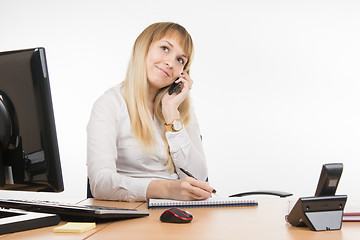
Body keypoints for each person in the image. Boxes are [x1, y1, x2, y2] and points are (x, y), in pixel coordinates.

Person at [87, 22, 215, 202]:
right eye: (165, 48)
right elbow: (100, 183)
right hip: (130, 212)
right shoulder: (109, 104)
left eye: (180, 60)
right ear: (143, 48)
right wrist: (165, 189)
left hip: (177, 211)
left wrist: (172, 115)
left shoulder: (180, 108)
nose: (170, 62)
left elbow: (198, 179)